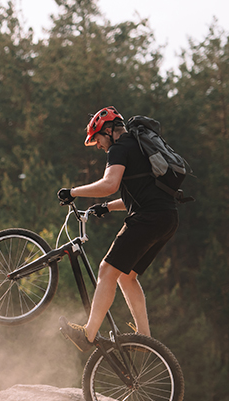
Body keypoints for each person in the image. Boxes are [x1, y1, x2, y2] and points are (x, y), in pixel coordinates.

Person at [56, 106, 179, 351]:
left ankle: (88, 334)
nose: (99, 146)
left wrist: (72, 192)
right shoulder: (138, 147)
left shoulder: (120, 147)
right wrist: (107, 207)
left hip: (148, 218)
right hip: (167, 217)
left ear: (109, 131)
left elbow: (109, 184)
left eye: (98, 139)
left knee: (106, 270)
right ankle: (146, 339)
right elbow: (140, 195)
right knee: (126, 276)